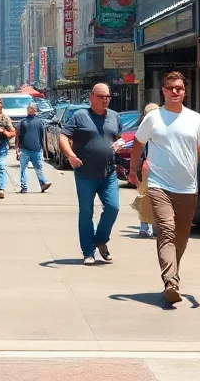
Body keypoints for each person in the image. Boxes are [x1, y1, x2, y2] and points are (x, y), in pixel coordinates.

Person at [129, 72, 200, 305]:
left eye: (179, 88)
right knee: (166, 230)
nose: (175, 91)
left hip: (187, 188)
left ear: (184, 91)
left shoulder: (195, 119)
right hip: (159, 185)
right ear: (163, 91)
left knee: (182, 238)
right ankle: (170, 282)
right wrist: (133, 169)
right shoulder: (154, 118)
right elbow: (138, 143)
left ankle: (172, 275)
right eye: (170, 88)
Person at [60, 82, 123, 264]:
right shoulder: (80, 116)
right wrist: (70, 155)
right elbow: (64, 136)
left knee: (113, 207)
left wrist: (120, 143)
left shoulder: (114, 117)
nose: (106, 100)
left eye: (108, 97)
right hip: (85, 173)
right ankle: (88, 252)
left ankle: (101, 240)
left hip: (108, 173)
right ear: (91, 97)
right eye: (102, 97)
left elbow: (118, 137)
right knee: (86, 212)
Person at [135, 102, 160, 237]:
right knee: (146, 197)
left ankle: (152, 226)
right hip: (148, 167)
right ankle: (145, 226)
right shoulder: (145, 129)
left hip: (157, 168)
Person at [16, 102, 51, 194]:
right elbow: (19, 136)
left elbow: (42, 137)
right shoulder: (26, 122)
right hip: (29, 149)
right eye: (30, 108)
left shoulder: (37, 122)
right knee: (35, 168)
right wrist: (18, 149)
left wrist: (42, 149)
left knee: (30, 169)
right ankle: (34, 185)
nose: (31, 110)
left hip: (33, 149)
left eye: (32, 108)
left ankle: (40, 184)